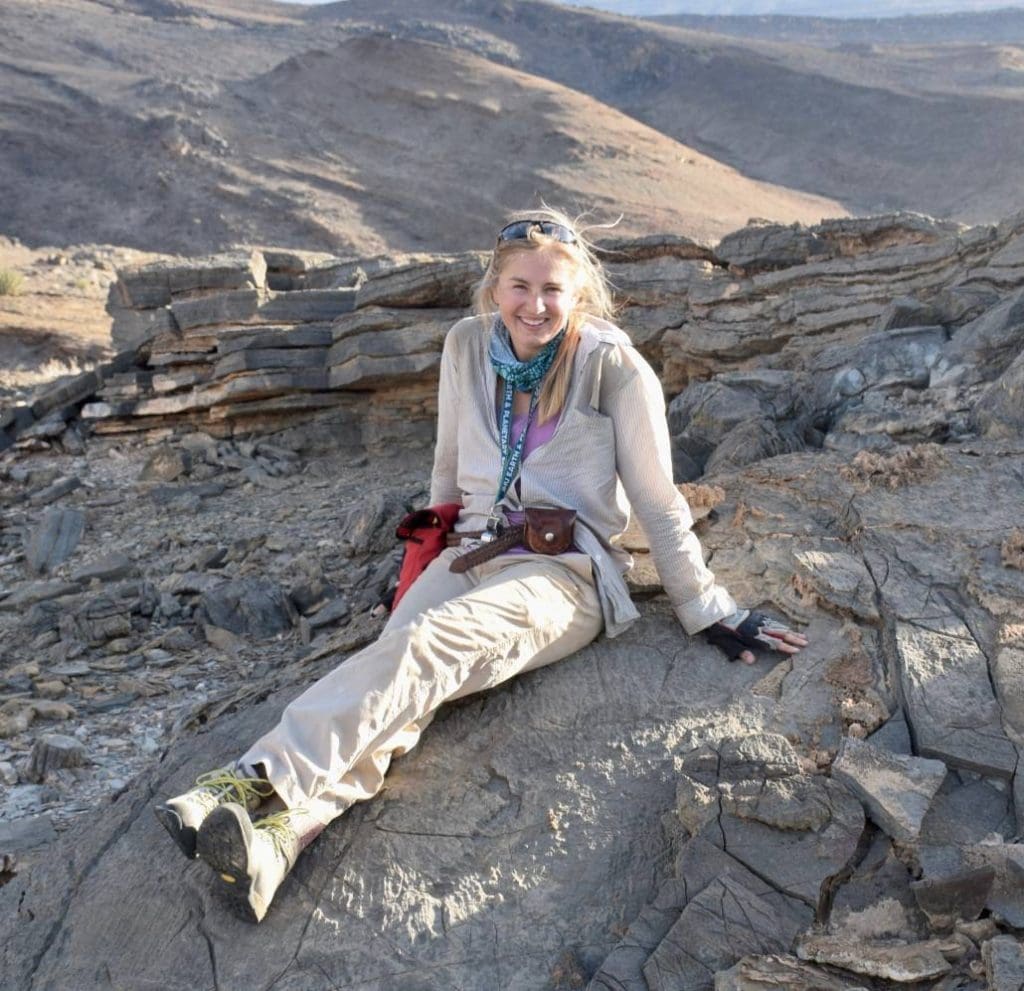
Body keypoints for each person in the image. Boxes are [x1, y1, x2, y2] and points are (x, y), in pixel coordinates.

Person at [154, 208, 808, 922]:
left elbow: (658, 501)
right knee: (403, 675)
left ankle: (249, 781)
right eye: (520, 286)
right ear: (493, 287)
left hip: (566, 574)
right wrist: (418, 567)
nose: (535, 305)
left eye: (552, 290)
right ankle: (280, 839)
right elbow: (447, 470)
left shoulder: (611, 367)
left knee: (429, 649)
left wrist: (708, 607)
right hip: (473, 550)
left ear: (579, 290)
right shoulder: (466, 346)